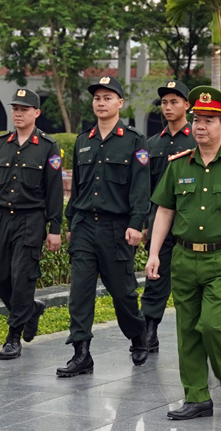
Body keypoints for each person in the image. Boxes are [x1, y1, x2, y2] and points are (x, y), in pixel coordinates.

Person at [145, 87, 221, 418]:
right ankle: (197, 397)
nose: (200, 126)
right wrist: (154, 254)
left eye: (209, 121)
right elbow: (164, 211)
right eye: (197, 119)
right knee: (187, 329)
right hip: (183, 258)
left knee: (212, 324)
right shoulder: (178, 164)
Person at [54, 77, 151, 377]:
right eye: (97, 97)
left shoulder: (135, 141)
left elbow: (140, 187)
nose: (100, 102)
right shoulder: (83, 140)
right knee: (79, 292)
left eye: (108, 97)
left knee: (123, 293)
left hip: (116, 228)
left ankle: (138, 335)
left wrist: (137, 224)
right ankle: (81, 353)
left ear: (120, 103)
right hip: (84, 225)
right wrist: (71, 221)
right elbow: (77, 185)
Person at [0, 87, 63, 361]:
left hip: (31, 220)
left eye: (24, 109)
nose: (18, 113)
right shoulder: (0, 144)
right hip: (3, 220)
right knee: (0, 276)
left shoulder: (48, 147)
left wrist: (54, 228)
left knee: (22, 278)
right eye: (15, 108)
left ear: (36, 113)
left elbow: (54, 190)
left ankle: (13, 337)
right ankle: (31, 310)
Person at [138, 81, 194, 356]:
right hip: (161, 224)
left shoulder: (197, 140)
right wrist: (146, 224)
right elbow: (146, 188)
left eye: (174, 101)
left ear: (187, 105)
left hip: (192, 224)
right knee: (155, 277)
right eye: (164, 102)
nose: (168, 107)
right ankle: (150, 329)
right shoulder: (152, 143)